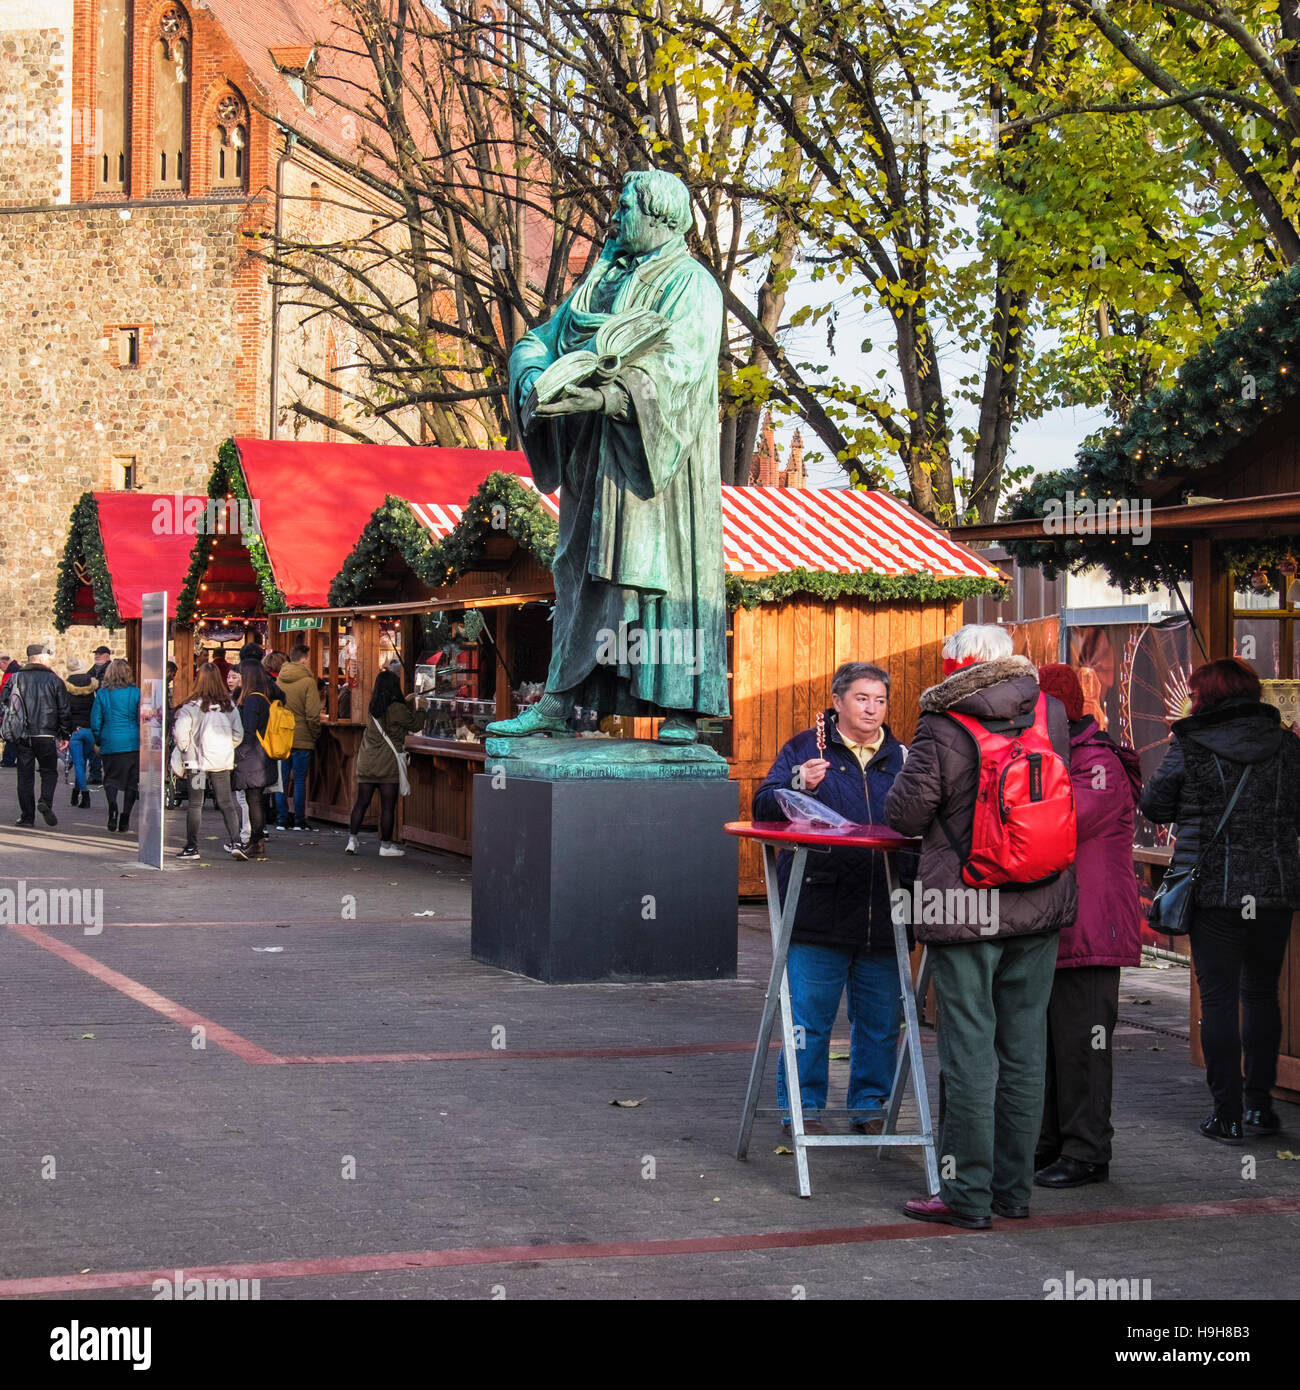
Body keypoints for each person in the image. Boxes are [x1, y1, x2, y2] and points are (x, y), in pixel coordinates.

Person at [487, 168, 729, 744]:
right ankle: (558, 700)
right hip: (589, 458)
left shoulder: (692, 285)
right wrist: (530, 381)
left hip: (656, 470)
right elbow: (537, 340)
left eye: (625, 208)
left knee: (667, 578)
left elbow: (681, 368)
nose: (614, 219)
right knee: (576, 567)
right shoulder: (598, 284)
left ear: (662, 218)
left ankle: (680, 709)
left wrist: (608, 394)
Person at [885, 625, 1077, 1229]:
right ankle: (1013, 1193)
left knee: (969, 1055)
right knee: (1023, 1052)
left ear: (955, 664)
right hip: (1041, 899)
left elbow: (906, 814)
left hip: (966, 905)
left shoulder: (941, 722)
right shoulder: (1050, 711)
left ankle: (967, 1195)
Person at [1140, 657, 1300, 1143]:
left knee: (1220, 999)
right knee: (1261, 996)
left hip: (1214, 891)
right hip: (1274, 889)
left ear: (1204, 696)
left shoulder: (1189, 744)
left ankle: (1225, 1114)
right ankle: (1260, 1107)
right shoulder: (1288, 745)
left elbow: (1154, 804)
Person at [751, 662, 910, 1135]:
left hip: (884, 910)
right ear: (838, 702)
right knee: (809, 1023)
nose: (872, 709)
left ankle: (870, 1106)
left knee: (882, 1023)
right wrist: (798, 781)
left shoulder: (903, 756)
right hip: (818, 907)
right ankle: (802, 1111)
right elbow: (764, 808)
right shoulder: (807, 747)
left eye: (880, 700)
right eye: (862, 698)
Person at [1033, 664, 1143, 1188]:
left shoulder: (1097, 763)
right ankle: (1052, 1142)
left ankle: (1088, 1151)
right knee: (1053, 1043)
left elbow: (1058, 825)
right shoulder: (1065, 756)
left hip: (1092, 929)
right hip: (1061, 924)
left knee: (1084, 1044)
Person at [172, 664, 247, 860]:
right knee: (227, 803)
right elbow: (238, 734)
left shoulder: (190, 707)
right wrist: (226, 748)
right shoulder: (229, 706)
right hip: (221, 762)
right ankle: (236, 842)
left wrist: (185, 750)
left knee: (195, 804)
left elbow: (181, 736)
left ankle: (192, 847)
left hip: (196, 764)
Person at [347, 669, 418, 857]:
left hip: (367, 760)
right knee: (388, 806)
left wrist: (407, 701)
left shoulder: (373, 707)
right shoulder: (397, 708)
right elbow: (414, 724)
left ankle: (352, 841)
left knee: (361, 802)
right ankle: (385, 846)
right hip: (387, 763)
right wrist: (424, 709)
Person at [1, 643, 71, 826]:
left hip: (22, 734)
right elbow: (64, 710)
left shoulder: (15, 678)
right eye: (48, 658)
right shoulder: (55, 680)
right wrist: (65, 735)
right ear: (41, 659)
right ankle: (45, 801)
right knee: (49, 771)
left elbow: (4, 705)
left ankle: (27, 817)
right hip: (46, 734)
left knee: (24, 775)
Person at [90, 658, 140, 834]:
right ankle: (125, 816)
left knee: (110, 778)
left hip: (110, 741)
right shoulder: (136, 693)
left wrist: (98, 738)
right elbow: (141, 718)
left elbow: (96, 720)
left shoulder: (103, 694)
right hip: (132, 742)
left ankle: (112, 807)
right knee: (132, 782)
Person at [233, 659, 277, 858]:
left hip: (252, 756)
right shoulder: (264, 696)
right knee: (256, 799)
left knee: (254, 799)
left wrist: (239, 753)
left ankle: (256, 841)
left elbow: (248, 729)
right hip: (262, 753)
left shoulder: (251, 700)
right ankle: (256, 840)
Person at [275, 643, 320, 831]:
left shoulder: (279, 679)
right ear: (304, 659)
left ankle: (281, 819)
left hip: (282, 736)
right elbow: (312, 714)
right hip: (302, 735)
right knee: (300, 779)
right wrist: (315, 733)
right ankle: (300, 820)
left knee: (281, 780)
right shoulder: (308, 682)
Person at [64, 655, 100, 808]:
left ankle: (84, 794)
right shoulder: (93, 686)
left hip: (76, 731)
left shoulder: (66, 687)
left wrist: (66, 730)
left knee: (79, 763)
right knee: (84, 761)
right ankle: (75, 791)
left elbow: (65, 711)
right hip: (90, 730)